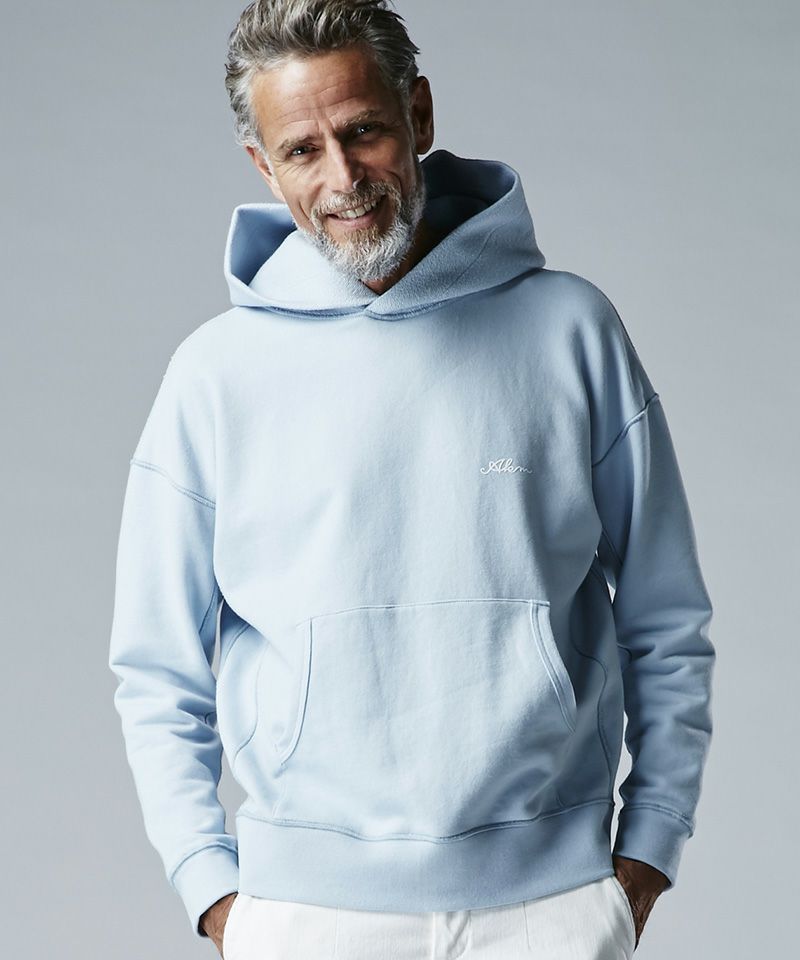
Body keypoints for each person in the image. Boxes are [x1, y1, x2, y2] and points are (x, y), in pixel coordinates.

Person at [107, 1, 716, 957]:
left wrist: (650, 851)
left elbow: (667, 618)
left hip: (550, 906)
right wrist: (213, 890)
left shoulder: (572, 333)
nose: (343, 178)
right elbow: (155, 665)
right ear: (264, 166)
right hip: (307, 914)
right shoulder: (214, 377)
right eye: (302, 150)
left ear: (419, 114)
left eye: (363, 132)